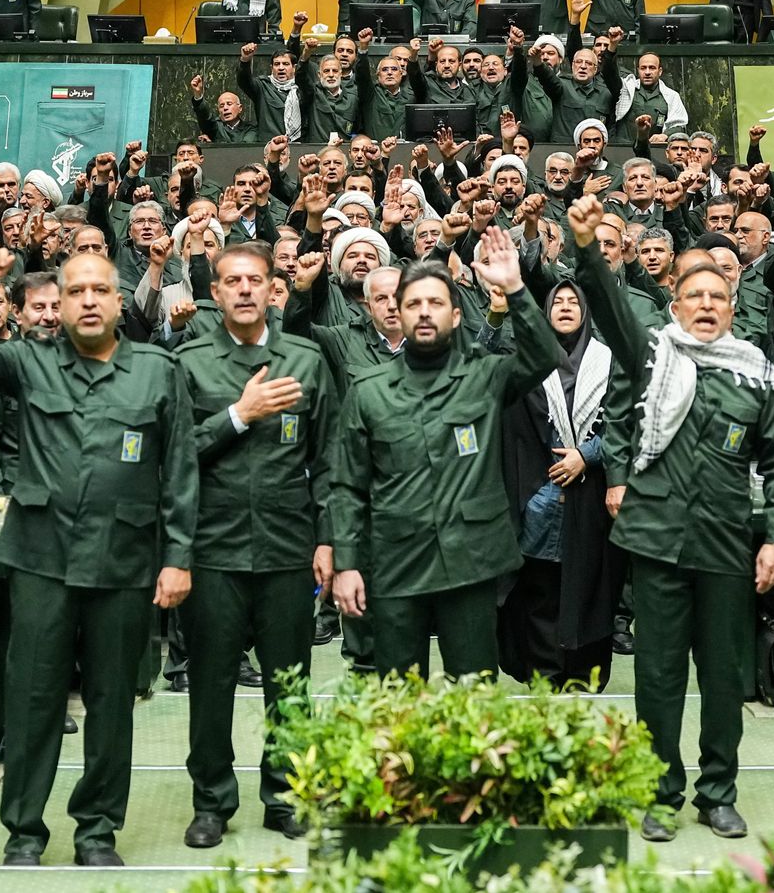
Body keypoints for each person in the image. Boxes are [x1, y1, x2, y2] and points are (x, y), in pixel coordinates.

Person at [0, 245, 195, 869]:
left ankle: (97, 831)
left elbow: (182, 471)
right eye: (74, 290)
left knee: (112, 702)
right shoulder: (30, 361)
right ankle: (24, 830)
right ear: (60, 303)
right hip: (41, 557)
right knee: (32, 697)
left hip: (125, 559)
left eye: (98, 291)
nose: (86, 301)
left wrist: (179, 557)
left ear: (118, 302)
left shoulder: (159, 371)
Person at [572, 196, 774, 843]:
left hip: (726, 546)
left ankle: (717, 791)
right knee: (659, 677)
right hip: (659, 543)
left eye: (715, 297)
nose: (703, 305)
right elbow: (612, 309)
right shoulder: (650, 356)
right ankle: (661, 792)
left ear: (731, 308)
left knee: (724, 678)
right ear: (674, 306)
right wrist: (589, 249)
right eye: (692, 295)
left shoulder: (755, 377)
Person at [327, 231, 564, 678]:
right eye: (413, 303)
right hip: (395, 562)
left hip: (470, 561)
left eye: (435, 303)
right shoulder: (369, 391)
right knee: (398, 693)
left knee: (473, 688)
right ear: (397, 311)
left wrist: (515, 288)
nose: (423, 312)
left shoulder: (485, 376)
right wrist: (346, 564)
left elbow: (544, 356)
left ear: (456, 316)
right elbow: (346, 487)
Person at [172, 241, 332, 848]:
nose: (243, 290)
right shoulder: (188, 364)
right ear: (214, 293)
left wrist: (329, 539)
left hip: (290, 548)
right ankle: (211, 802)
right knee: (211, 682)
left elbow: (331, 456)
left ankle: (286, 796)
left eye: (255, 280)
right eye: (231, 281)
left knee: (289, 684)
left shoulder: (308, 361)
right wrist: (238, 414)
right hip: (213, 550)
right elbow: (175, 456)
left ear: (273, 290)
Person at [499, 281, 620, 689]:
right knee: (541, 586)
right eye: (557, 302)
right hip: (540, 488)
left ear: (586, 311)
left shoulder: (609, 360)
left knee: (589, 584)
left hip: (594, 487)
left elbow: (626, 423)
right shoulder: (528, 360)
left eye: (574, 301)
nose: (565, 307)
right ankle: (544, 672)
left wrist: (586, 454)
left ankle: (585, 673)